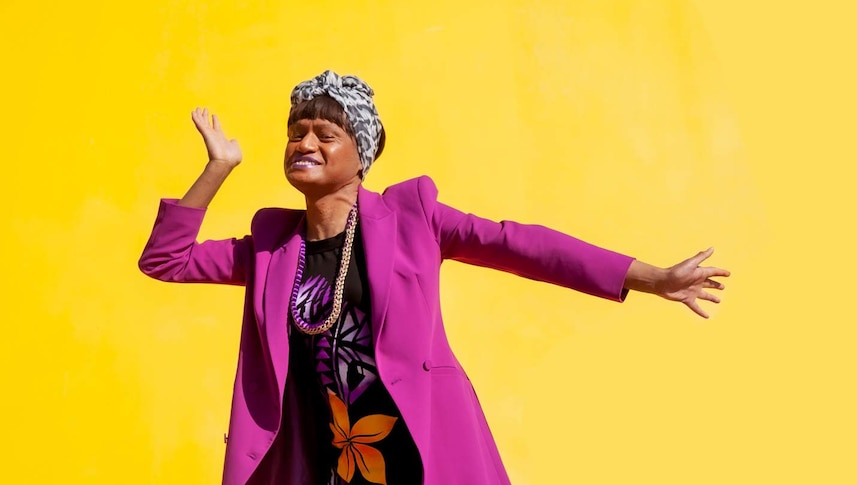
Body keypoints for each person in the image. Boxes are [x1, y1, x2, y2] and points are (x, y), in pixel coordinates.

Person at [139, 70, 729, 485]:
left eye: (325, 133)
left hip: (419, 446)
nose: (304, 142)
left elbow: (520, 243)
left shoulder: (412, 218)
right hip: (325, 457)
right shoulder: (271, 247)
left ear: (361, 154)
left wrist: (645, 276)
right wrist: (218, 168)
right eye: (296, 131)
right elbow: (166, 260)